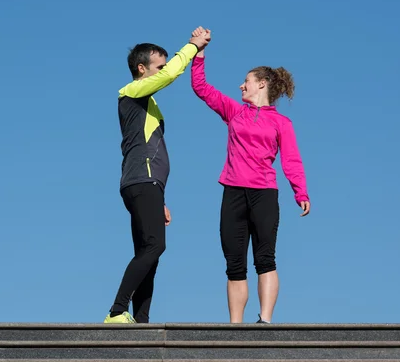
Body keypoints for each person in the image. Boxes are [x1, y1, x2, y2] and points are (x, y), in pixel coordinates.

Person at [190, 27, 310, 323]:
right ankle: (235, 326)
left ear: (262, 84)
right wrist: (199, 52)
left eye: (246, 81)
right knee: (234, 263)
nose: (241, 86)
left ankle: (265, 321)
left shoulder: (282, 122)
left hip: (264, 194)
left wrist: (301, 192)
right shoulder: (234, 111)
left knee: (265, 259)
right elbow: (201, 88)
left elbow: (292, 160)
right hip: (232, 192)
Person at [104, 29, 210, 324]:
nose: (163, 71)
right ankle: (116, 311)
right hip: (141, 182)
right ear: (142, 69)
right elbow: (169, 76)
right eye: (158, 66)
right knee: (155, 247)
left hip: (146, 185)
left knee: (149, 253)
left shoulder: (146, 103)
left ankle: (140, 321)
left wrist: (160, 197)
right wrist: (191, 47)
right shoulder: (130, 91)